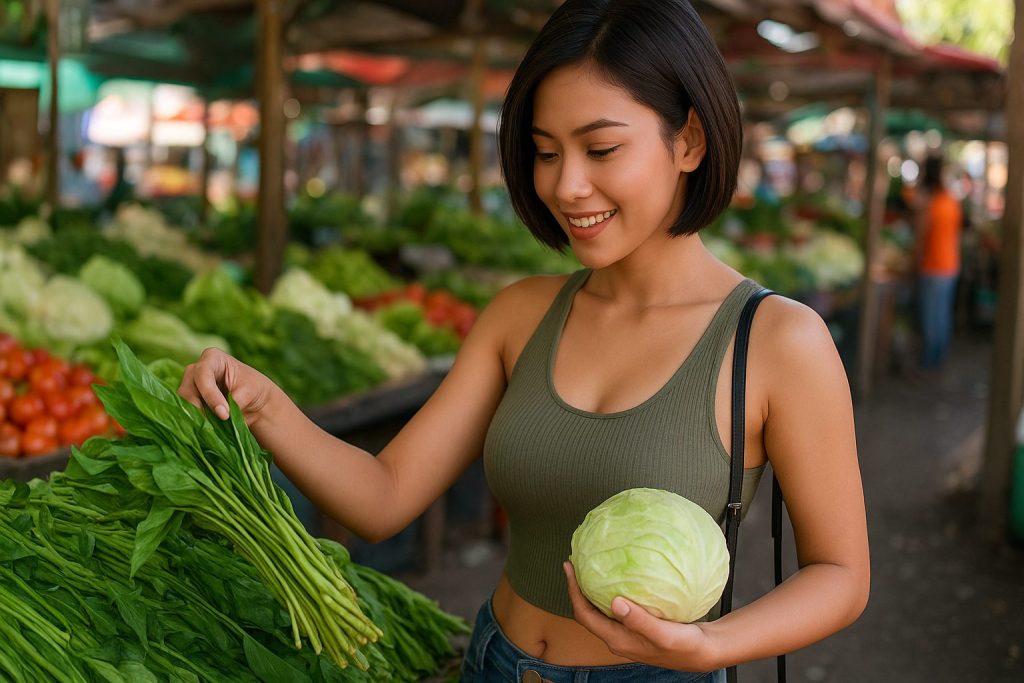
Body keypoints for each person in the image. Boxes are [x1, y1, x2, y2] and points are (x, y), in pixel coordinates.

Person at [178, 1, 870, 681]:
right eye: (545, 151)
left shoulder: (779, 340)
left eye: (601, 148)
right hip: (495, 660)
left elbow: (841, 573)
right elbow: (384, 498)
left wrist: (712, 646)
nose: (567, 186)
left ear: (689, 140)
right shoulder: (520, 314)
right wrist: (263, 404)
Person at [914, 154, 963, 369]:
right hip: (950, 264)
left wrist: (913, 261)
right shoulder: (951, 201)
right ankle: (938, 358)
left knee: (931, 316)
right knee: (941, 314)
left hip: (933, 265)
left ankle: (928, 362)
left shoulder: (930, 202)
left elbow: (920, 236)